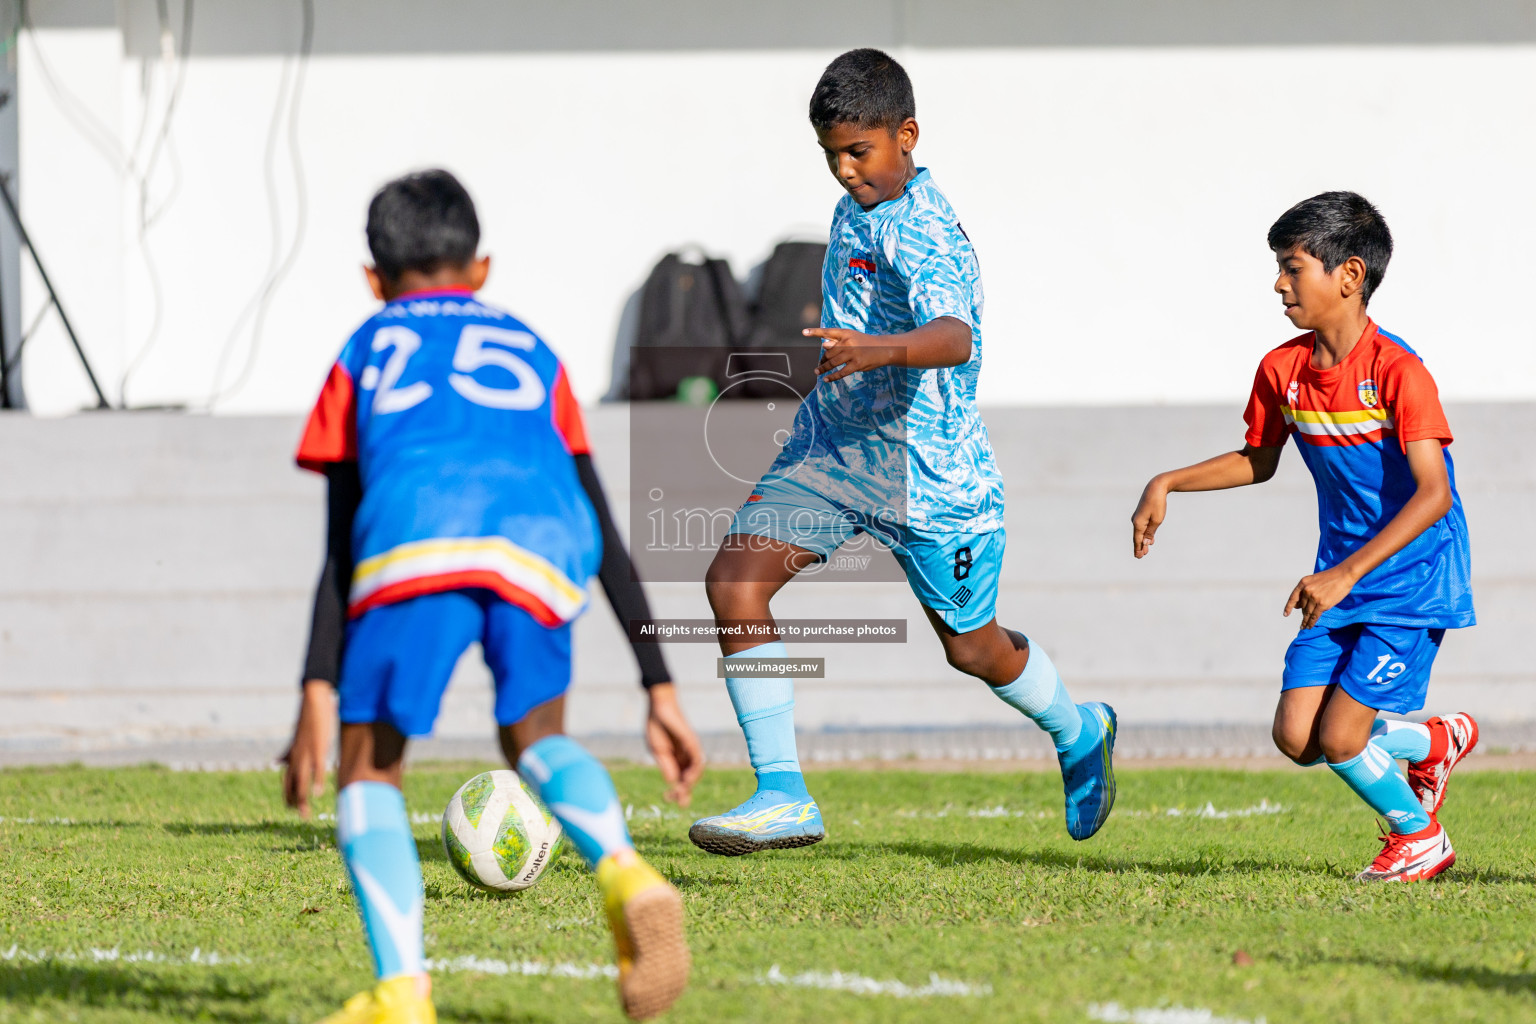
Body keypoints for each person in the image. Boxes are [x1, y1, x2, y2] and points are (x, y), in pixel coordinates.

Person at [280, 169, 694, 1023]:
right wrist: (659, 682)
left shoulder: (366, 349)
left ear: (372, 279)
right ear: (481, 268)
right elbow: (603, 521)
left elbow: (340, 533)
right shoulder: (531, 349)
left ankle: (402, 991)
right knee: (535, 737)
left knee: (370, 765)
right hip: (546, 544)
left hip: (414, 535)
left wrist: (316, 685)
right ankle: (624, 868)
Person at [689, 48, 1117, 857]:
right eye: (832, 156)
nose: (846, 171)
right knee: (732, 584)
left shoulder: (925, 228)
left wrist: (878, 350)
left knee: (973, 648)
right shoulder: (859, 207)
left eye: (860, 152)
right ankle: (783, 794)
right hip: (838, 447)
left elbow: (955, 337)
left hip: (931, 475)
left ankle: (1079, 728)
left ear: (907, 135)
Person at [1131, 191, 1478, 883]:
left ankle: (1419, 837)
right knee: (1297, 738)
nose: (1278, 284)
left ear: (1349, 275)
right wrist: (1166, 481)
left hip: (1411, 576)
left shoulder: (1399, 373)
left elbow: (1434, 494)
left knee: (1342, 737)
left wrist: (1347, 574)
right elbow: (1258, 460)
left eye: (1293, 268)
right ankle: (1431, 741)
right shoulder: (1282, 371)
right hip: (1339, 575)